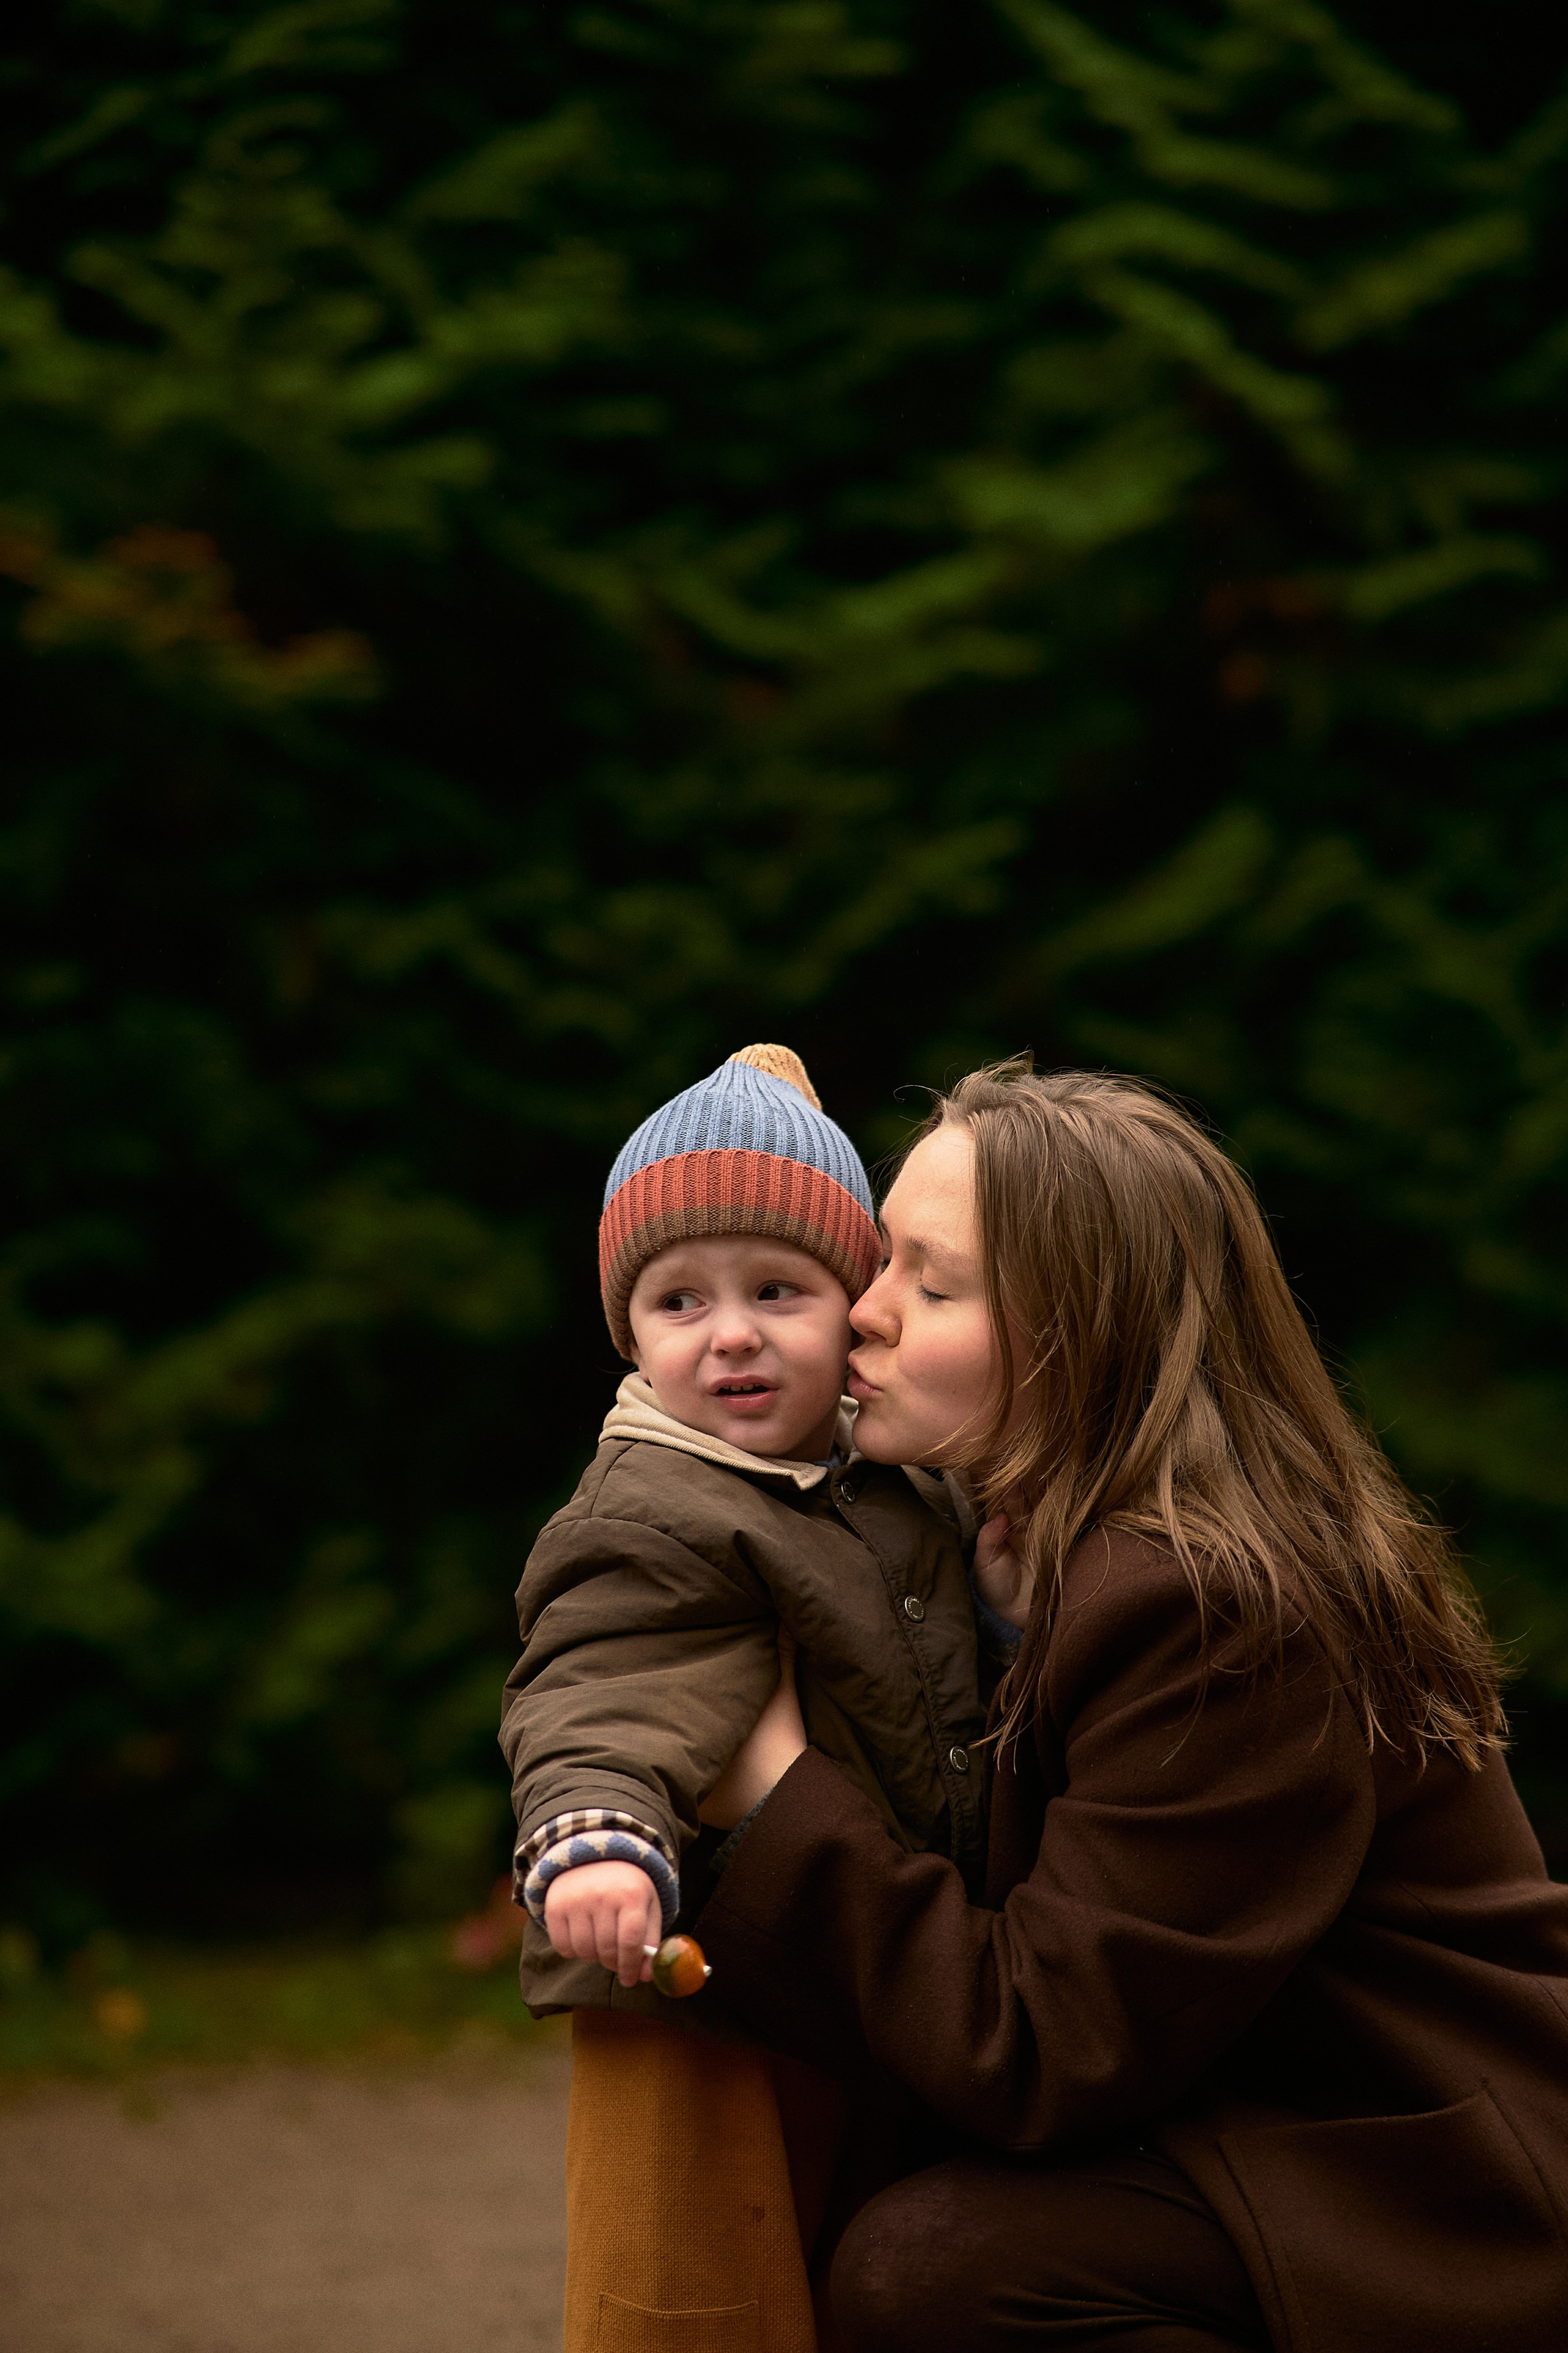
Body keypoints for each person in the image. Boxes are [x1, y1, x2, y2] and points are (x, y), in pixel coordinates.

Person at [690, 1060, 1568, 2353]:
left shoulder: (1211, 1606)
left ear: (1079, 1336)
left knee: (934, 2272)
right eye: (880, 1260)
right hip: (1227, 2106)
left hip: (1409, 2173)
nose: (858, 1314)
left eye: (930, 1285)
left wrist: (766, 1791)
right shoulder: (1009, 1545)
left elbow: (1039, 2048)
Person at [499, 1044, 998, 2353]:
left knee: (858, 2269)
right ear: (630, 1330)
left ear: (855, 1306)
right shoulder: (648, 1511)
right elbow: (595, 1689)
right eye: (677, 1299)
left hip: (854, 1966)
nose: (729, 1332)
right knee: (690, 2290)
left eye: (777, 1288)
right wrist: (595, 1838)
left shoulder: (892, 1481)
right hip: (687, 1977)